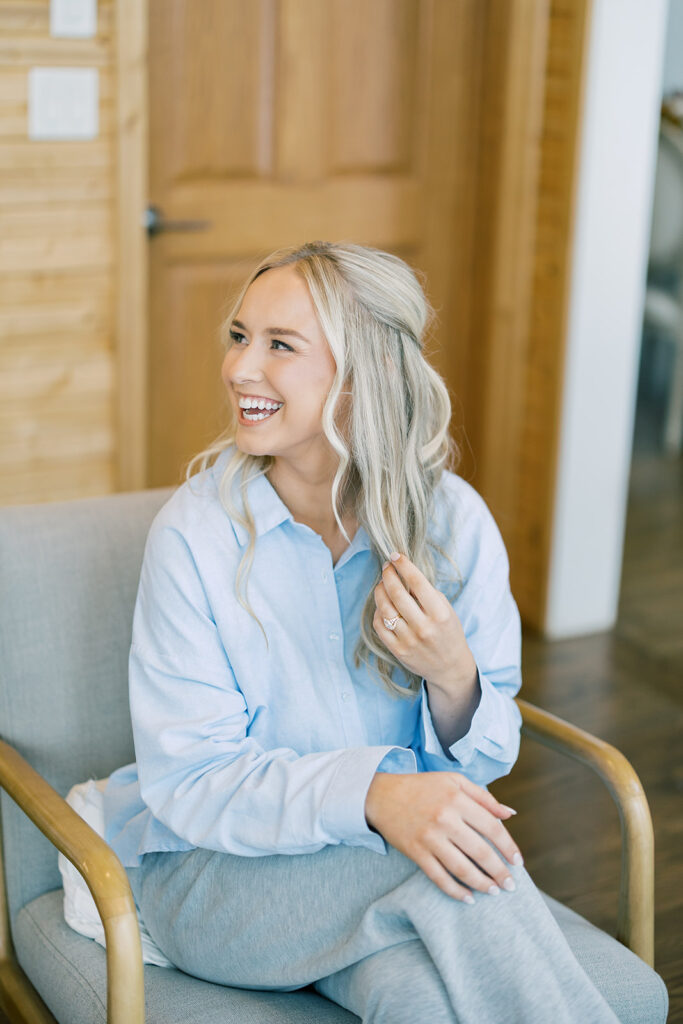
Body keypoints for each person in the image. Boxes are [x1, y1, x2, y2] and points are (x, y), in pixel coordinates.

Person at [102, 241, 662, 1023]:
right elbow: (190, 782)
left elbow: (489, 755)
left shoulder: (453, 523)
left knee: (420, 1002)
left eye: (280, 345)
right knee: (468, 876)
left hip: (374, 872)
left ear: (361, 374)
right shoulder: (194, 536)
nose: (238, 368)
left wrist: (453, 676)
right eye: (239, 337)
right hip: (213, 877)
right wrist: (374, 796)